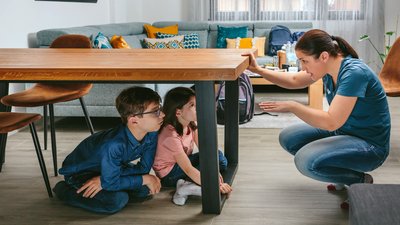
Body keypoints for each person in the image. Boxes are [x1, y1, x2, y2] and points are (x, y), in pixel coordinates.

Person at [243, 29, 391, 209]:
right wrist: (258, 70)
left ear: (323, 56)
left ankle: (360, 181)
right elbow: (294, 80)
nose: (303, 67)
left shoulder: (354, 73)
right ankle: (339, 174)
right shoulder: (328, 69)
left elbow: (331, 122)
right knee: (289, 137)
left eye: (304, 61)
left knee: (305, 161)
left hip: (370, 146)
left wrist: (293, 106)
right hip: (345, 131)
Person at [52, 86, 164, 214]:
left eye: (160, 109)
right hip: (82, 172)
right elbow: (141, 175)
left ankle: (110, 183)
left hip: (112, 168)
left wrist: (105, 180)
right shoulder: (114, 145)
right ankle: (64, 190)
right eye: (156, 112)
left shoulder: (151, 132)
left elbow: (143, 169)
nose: (163, 114)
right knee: (117, 200)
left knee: (144, 190)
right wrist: (146, 179)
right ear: (134, 121)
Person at [153, 87, 232, 205]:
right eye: (192, 105)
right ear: (178, 112)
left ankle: (187, 185)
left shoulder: (190, 123)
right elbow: (188, 168)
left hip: (182, 165)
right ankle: (186, 188)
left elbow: (205, 151)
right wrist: (215, 185)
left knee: (219, 158)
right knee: (206, 171)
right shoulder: (170, 136)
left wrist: (214, 172)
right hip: (169, 174)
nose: (198, 108)